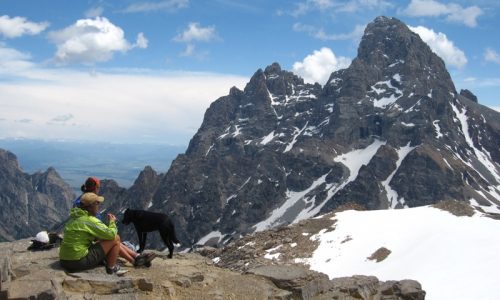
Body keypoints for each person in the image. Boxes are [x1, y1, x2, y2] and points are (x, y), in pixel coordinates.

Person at [59, 192, 154, 275]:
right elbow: (111, 235)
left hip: (64, 260)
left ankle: (136, 258)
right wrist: (112, 222)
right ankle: (111, 268)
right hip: (77, 262)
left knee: (109, 240)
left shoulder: (74, 218)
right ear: (91, 206)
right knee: (115, 238)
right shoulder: (89, 220)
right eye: (97, 203)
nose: (99, 205)